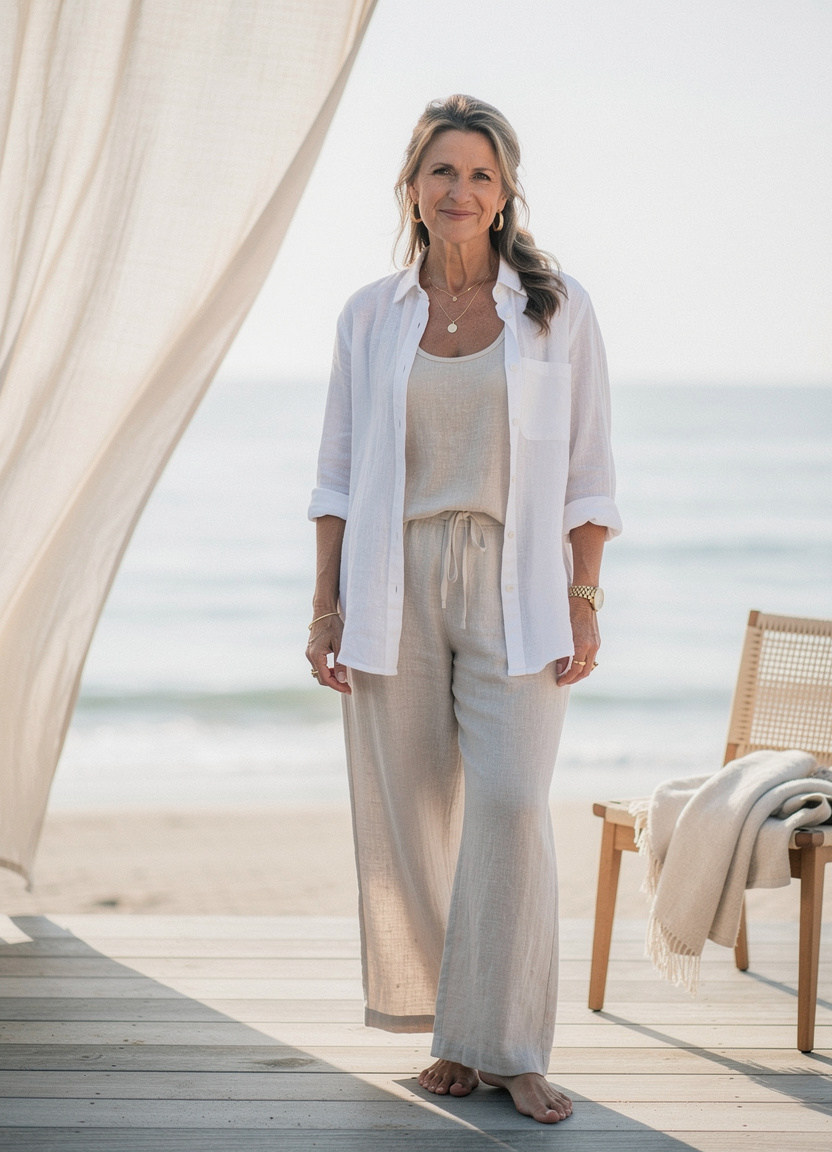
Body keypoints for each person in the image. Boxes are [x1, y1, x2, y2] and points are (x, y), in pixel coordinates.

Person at [306, 94, 621, 1125]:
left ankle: (514, 1046)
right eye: (442, 171)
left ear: (504, 193)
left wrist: (582, 599)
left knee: (509, 806)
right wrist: (324, 605)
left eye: (480, 174)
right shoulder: (369, 314)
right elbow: (340, 475)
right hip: (391, 577)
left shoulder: (555, 310)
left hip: (513, 581)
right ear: (410, 188)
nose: (460, 190)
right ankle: (456, 1031)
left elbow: (586, 474)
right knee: (412, 811)